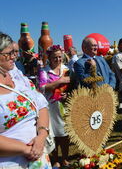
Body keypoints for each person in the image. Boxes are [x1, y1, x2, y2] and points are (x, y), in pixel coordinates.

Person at [0, 32, 52, 168]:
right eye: (8, 53)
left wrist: (41, 137)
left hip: (38, 157)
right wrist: (25, 149)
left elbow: (41, 104)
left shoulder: (16, 75)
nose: (13, 56)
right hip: (11, 163)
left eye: (14, 52)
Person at [38, 45, 70, 167]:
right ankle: (55, 159)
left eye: (59, 57)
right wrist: (60, 81)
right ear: (49, 58)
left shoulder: (66, 69)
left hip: (63, 106)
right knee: (52, 134)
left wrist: (67, 95)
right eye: (54, 57)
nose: (58, 59)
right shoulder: (44, 71)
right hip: (50, 107)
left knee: (65, 133)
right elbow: (43, 88)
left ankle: (65, 158)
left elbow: (71, 86)